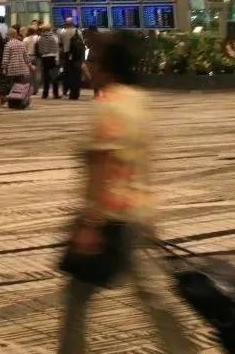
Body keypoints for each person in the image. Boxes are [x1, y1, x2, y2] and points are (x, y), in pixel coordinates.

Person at [57, 32, 195, 354]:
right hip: (139, 211)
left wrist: (91, 223)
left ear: (107, 67)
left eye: (94, 61)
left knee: (77, 296)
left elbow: (102, 166)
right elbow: (144, 159)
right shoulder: (139, 100)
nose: (89, 67)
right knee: (150, 294)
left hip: (111, 216)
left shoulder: (109, 106)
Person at [1, 27, 32, 100]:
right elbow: (26, 56)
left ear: (9, 35)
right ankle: (20, 100)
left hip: (12, 69)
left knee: (12, 86)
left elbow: (6, 58)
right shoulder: (22, 44)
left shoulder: (8, 45)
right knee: (21, 86)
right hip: (22, 69)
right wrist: (29, 65)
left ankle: (13, 100)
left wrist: (4, 68)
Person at [38, 24, 61, 99]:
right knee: (54, 76)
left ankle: (45, 94)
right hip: (53, 57)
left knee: (46, 77)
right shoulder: (54, 37)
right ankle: (55, 93)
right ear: (50, 29)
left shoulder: (40, 38)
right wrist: (57, 59)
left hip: (44, 58)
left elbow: (39, 49)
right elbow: (57, 49)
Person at [65, 28, 87, 101]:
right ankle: (76, 94)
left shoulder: (71, 40)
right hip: (79, 62)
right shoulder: (81, 42)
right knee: (78, 78)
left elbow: (69, 52)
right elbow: (83, 52)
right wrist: (82, 61)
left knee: (72, 78)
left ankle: (72, 94)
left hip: (72, 61)